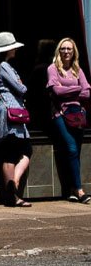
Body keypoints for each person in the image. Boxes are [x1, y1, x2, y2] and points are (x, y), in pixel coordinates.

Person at [0, 31, 32, 206]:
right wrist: (21, 84)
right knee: (11, 153)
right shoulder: (4, 66)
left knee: (24, 150)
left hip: (13, 113)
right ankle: (11, 194)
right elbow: (21, 88)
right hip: (9, 114)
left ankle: (12, 186)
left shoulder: (2, 65)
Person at [46, 37, 89, 203]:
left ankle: (71, 188)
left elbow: (87, 92)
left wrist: (69, 90)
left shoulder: (78, 69)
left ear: (74, 52)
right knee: (71, 148)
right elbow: (56, 92)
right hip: (60, 114)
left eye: (69, 49)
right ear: (59, 51)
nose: (66, 52)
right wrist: (77, 88)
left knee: (75, 151)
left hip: (77, 114)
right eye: (63, 49)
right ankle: (79, 190)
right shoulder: (52, 69)